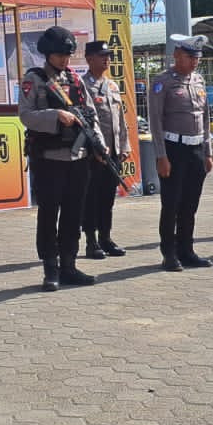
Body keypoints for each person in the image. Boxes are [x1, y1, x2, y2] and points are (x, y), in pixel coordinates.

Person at [19, 26, 105, 291]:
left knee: (73, 213)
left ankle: (69, 264)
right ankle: (51, 268)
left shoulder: (76, 80)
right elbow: (25, 114)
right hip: (48, 158)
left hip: (77, 158)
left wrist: (100, 145)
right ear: (48, 54)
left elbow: (91, 115)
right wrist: (55, 115)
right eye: (60, 55)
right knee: (48, 214)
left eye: (68, 55)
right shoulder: (34, 79)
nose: (65, 60)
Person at [150, 34, 213, 271]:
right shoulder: (163, 81)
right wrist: (161, 155)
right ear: (177, 55)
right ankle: (169, 253)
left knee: (190, 204)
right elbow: (155, 120)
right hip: (173, 149)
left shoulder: (198, 80)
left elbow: (205, 117)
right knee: (172, 204)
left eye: (197, 57)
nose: (195, 61)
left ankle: (187, 250)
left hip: (196, 148)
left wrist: (208, 152)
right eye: (190, 56)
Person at [80, 39, 130, 260]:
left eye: (108, 55)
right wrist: (96, 148)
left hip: (113, 152)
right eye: (102, 56)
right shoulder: (82, 86)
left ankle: (105, 237)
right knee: (91, 197)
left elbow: (120, 118)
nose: (106, 59)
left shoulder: (112, 85)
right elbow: (85, 121)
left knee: (108, 198)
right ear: (89, 59)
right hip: (93, 153)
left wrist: (124, 145)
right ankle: (91, 241)